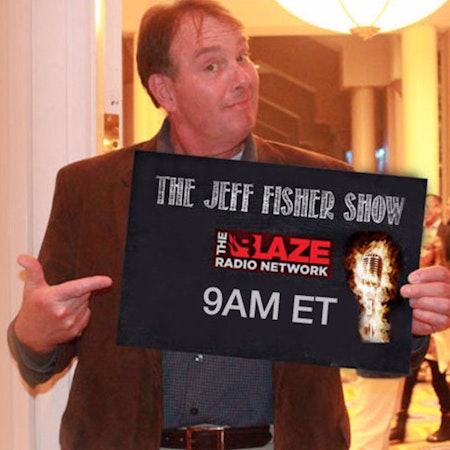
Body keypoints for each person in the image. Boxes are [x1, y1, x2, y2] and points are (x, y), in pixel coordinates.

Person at [7, 1, 450, 449]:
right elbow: (41, 357)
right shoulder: (91, 189)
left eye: (243, 56)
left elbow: (371, 342)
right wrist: (34, 333)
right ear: (165, 91)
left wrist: (408, 323)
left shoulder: (325, 188)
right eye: (213, 65)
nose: (242, 77)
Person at [390, 194, 450, 444]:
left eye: (432, 206)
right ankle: (402, 422)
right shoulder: (430, 231)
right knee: (418, 368)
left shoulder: (440, 233)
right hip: (424, 306)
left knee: (438, 370)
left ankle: (445, 419)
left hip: (439, 308)